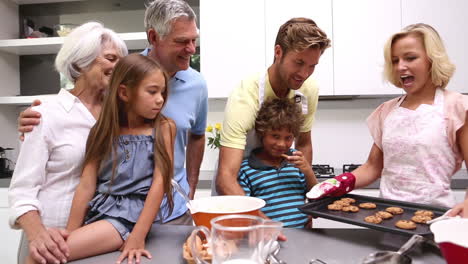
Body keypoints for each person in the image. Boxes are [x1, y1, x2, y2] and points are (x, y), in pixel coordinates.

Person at [17, 0, 208, 225]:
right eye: (182, 41)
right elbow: (81, 103)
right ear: (154, 37)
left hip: (173, 210)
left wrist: (192, 190)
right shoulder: (123, 80)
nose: (191, 49)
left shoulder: (197, 85)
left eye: (194, 40)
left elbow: (197, 135)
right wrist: (38, 116)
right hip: (113, 214)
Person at [307, 23, 468, 208]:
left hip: (435, 219)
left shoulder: (457, 107)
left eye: (410, 58)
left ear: (433, 60)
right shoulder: (387, 111)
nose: (400, 67)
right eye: (395, 60)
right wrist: (340, 182)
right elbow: (373, 167)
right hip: (388, 218)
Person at [9, 22, 128, 264]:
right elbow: (22, 191)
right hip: (48, 243)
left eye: (121, 61)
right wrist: (38, 235)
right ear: (80, 61)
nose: (118, 67)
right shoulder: (47, 114)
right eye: (111, 58)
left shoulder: (120, 114)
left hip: (96, 241)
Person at [42, 53, 174, 264]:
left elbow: (160, 183)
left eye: (163, 92)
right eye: (152, 92)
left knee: (43, 256)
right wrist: (70, 232)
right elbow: (86, 185)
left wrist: (138, 236)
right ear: (124, 92)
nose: (160, 99)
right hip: (99, 212)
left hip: (128, 217)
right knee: (54, 252)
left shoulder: (164, 128)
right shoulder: (102, 131)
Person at [216, 17, 331, 197]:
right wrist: (263, 222)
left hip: (281, 191)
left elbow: (303, 143)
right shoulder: (246, 94)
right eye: (299, 63)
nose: (304, 74)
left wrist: (303, 200)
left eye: (312, 66)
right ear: (278, 52)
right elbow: (226, 178)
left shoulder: (308, 90)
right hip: (239, 191)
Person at [238, 98, 317, 228]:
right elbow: (247, 210)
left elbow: (316, 197)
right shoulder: (246, 169)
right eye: (275, 136)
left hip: (304, 235)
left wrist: (308, 171)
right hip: (269, 237)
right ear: (262, 133)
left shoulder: (297, 162)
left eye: (288, 138)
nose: (281, 144)